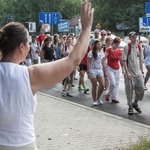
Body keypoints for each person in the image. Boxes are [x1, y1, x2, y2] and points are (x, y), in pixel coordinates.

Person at [0, 1, 94, 149]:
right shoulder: (29, 76)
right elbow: (73, 60)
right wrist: (86, 28)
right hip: (22, 144)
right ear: (22, 47)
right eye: (28, 42)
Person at [122, 31, 145, 115]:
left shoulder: (139, 47)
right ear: (130, 38)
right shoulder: (126, 47)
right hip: (130, 72)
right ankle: (130, 107)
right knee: (129, 90)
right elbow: (124, 61)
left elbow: (141, 60)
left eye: (135, 37)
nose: (134, 38)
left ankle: (135, 103)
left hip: (138, 72)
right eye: (133, 37)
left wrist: (142, 72)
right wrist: (127, 73)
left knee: (141, 89)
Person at [102, 37, 123, 103]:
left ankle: (114, 97)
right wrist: (104, 67)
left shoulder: (119, 51)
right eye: (116, 43)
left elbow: (121, 60)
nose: (117, 45)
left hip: (117, 68)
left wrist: (123, 69)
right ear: (113, 43)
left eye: (118, 43)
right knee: (113, 83)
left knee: (116, 83)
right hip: (110, 68)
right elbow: (104, 58)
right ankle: (108, 93)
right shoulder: (109, 50)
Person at [87, 40, 105, 106]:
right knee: (94, 85)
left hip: (99, 70)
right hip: (92, 70)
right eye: (98, 44)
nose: (99, 46)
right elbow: (88, 62)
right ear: (95, 45)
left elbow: (103, 62)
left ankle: (98, 98)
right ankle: (94, 100)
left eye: (100, 44)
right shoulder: (91, 52)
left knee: (102, 85)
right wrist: (88, 72)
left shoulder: (102, 52)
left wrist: (105, 71)